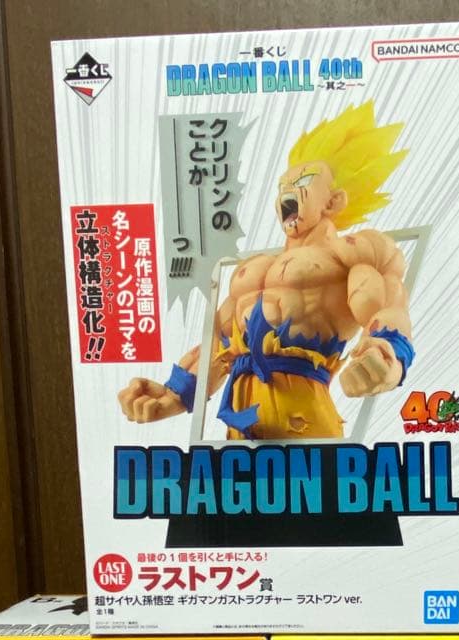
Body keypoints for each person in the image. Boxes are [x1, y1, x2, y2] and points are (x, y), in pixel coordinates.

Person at [118, 101, 414, 440]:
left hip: (305, 423)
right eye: (282, 186)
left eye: (302, 181)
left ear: (333, 201)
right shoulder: (252, 270)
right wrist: (175, 393)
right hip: (238, 429)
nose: (286, 193)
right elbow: (219, 343)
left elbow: (388, 306)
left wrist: (386, 355)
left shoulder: (354, 250)